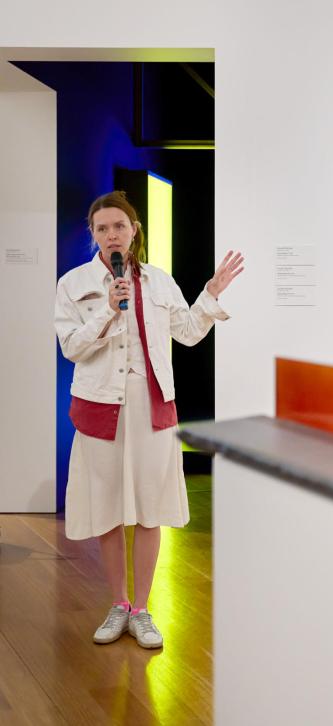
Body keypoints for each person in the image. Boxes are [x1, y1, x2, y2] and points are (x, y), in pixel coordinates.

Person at [54, 191, 244, 648]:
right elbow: (71, 348)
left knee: (150, 506)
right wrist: (106, 308)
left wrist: (210, 294)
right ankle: (117, 604)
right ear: (93, 235)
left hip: (152, 404)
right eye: (101, 228)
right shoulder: (73, 284)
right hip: (100, 404)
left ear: (134, 229)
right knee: (107, 507)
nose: (111, 234)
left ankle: (142, 610)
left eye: (119, 225)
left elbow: (188, 333)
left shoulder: (159, 282)